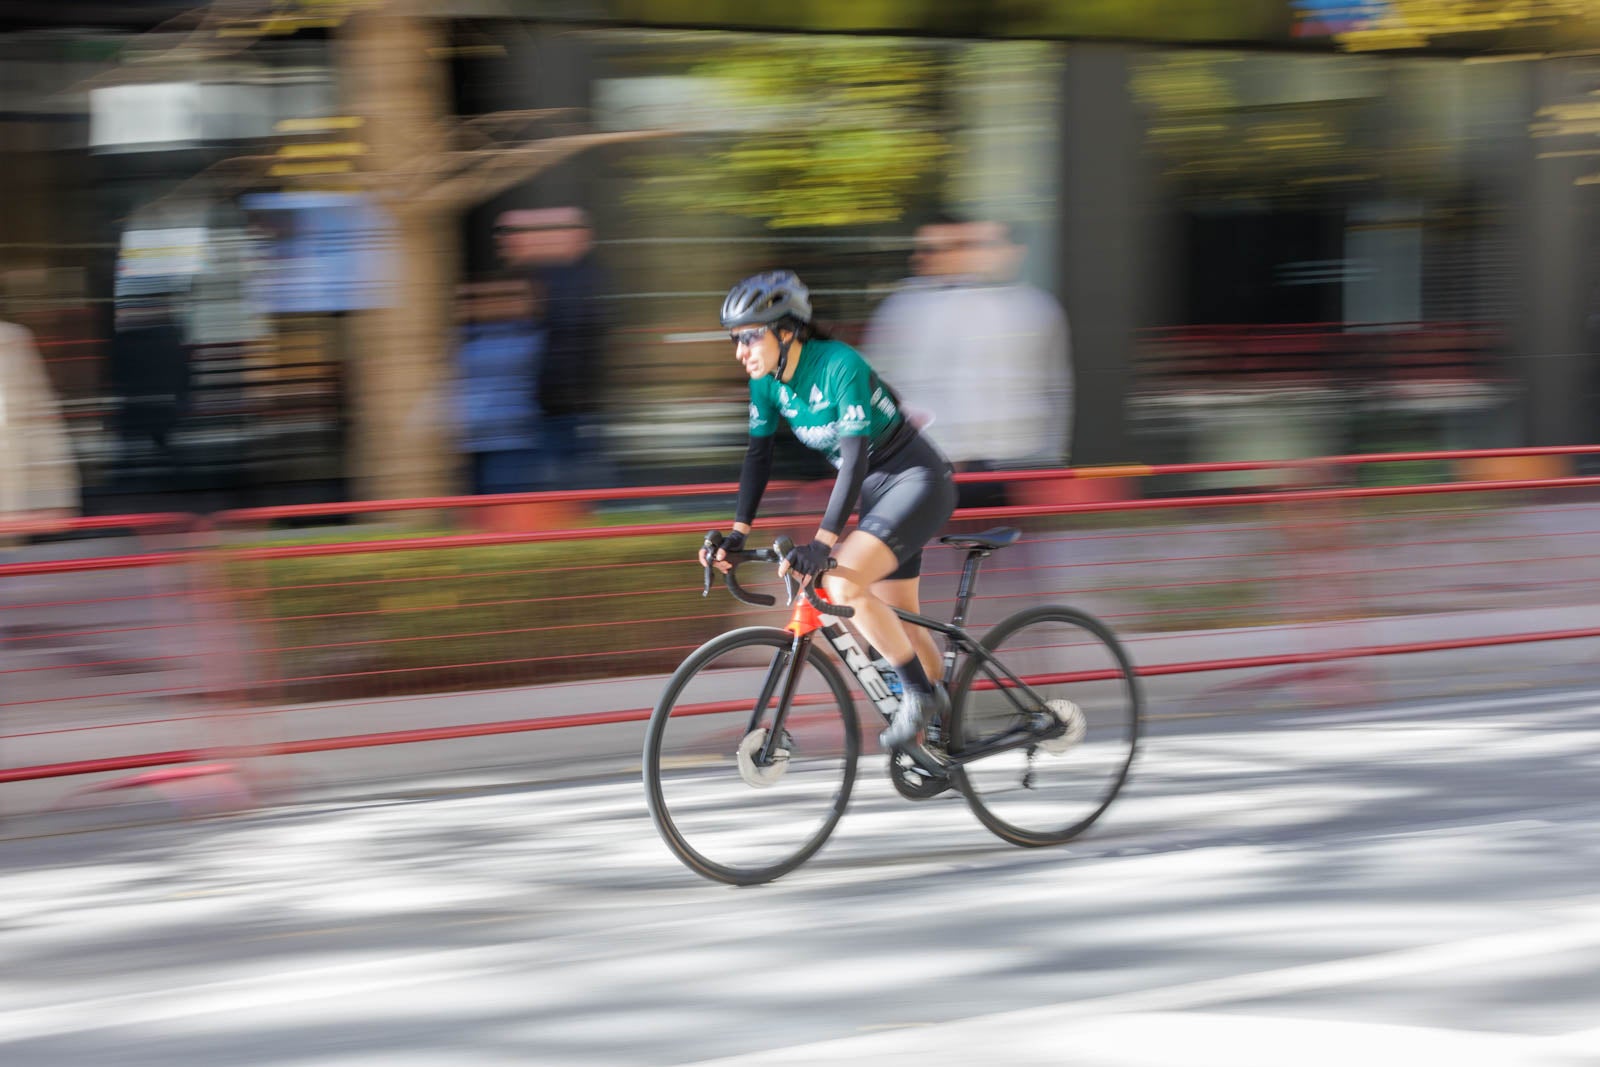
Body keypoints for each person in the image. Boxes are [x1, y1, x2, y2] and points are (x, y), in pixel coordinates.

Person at [703, 270, 957, 769]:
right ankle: (945, 731)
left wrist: (823, 541)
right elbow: (758, 459)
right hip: (876, 494)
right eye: (736, 339)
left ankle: (918, 697)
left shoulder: (840, 364)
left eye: (750, 336)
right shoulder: (768, 384)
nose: (741, 351)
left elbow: (857, 456)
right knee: (898, 612)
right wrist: (737, 534)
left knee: (840, 583)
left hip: (915, 480)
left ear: (787, 330)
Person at [866, 216, 1072, 509]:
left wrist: (1050, 459)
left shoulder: (1036, 306)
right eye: (925, 249)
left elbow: (1055, 386)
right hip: (935, 459)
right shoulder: (901, 307)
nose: (925, 257)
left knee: (1004, 544)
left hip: (1013, 460)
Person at [494, 207, 611, 489]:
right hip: (558, 400)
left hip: (561, 400)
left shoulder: (562, 280)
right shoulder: (554, 278)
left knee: (564, 478)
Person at [453, 275, 544, 495]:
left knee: (504, 504)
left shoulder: (527, 338)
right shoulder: (467, 339)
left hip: (509, 440)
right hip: (475, 439)